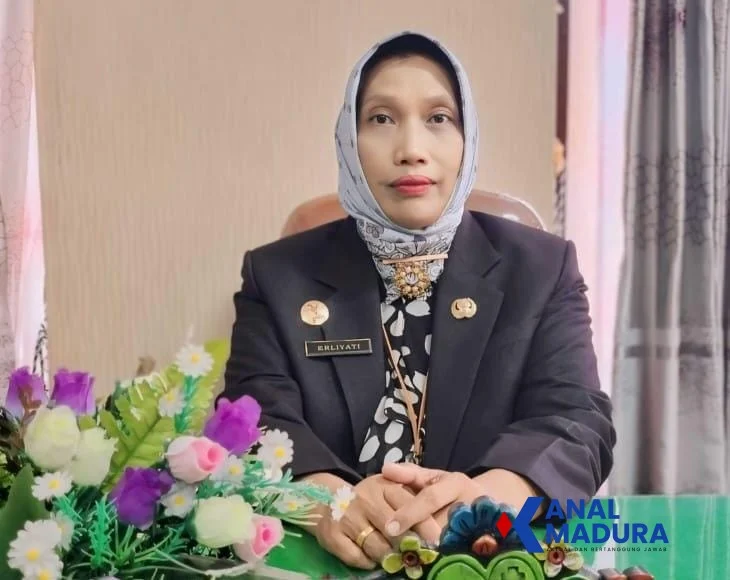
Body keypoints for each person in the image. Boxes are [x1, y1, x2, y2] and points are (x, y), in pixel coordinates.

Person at [220, 31, 615, 570]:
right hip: (340, 561)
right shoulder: (277, 275)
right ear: (349, 140)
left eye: (438, 118)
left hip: (491, 558)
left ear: (467, 139)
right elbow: (254, 417)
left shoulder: (541, 268)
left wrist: (494, 496)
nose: (411, 149)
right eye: (381, 118)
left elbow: (577, 420)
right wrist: (323, 500)